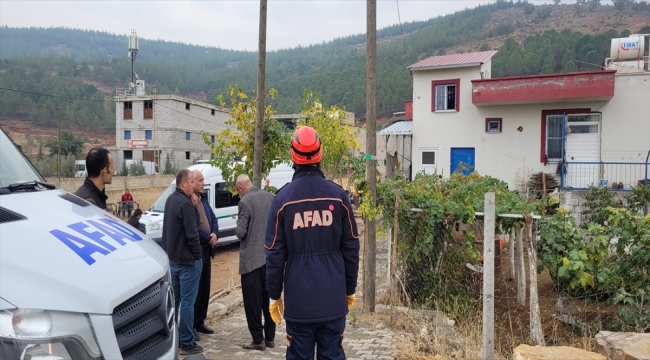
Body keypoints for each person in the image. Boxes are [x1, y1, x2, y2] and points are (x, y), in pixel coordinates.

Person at [265, 126, 360, 360]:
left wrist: (274, 295)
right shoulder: (338, 196)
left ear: (292, 154)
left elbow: (274, 254)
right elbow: (351, 247)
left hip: (299, 303)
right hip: (333, 300)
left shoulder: (282, 199)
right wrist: (349, 289)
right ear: (320, 153)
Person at [161, 169, 203, 356]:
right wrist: (198, 256)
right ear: (184, 183)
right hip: (187, 261)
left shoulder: (171, 200)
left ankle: (174, 337)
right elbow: (192, 234)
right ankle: (187, 342)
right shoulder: (185, 204)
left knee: (175, 301)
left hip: (173, 259)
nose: (194, 185)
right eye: (192, 182)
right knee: (187, 302)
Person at [235, 174, 276, 351]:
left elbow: (240, 232)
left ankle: (258, 340)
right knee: (268, 300)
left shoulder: (245, 202)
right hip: (269, 258)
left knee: (252, 303)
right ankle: (270, 338)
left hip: (251, 261)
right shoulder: (270, 197)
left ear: (241, 188)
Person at [190, 169, 219, 338]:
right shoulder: (189, 202)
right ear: (192, 183)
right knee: (196, 288)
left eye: (203, 180)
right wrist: (208, 237)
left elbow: (213, 218)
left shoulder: (203, 199)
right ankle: (192, 323)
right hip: (198, 249)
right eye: (200, 180)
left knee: (205, 287)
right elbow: (194, 226)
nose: (203, 183)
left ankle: (200, 320)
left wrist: (215, 233)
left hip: (208, 249)